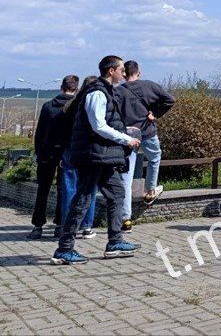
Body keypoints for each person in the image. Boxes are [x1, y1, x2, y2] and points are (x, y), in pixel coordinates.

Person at [52, 56, 140, 265]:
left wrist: (123, 132)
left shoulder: (106, 91)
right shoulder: (97, 93)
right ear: (111, 71)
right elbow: (98, 125)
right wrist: (127, 139)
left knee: (117, 193)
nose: (124, 74)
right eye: (121, 70)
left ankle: (115, 241)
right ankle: (64, 248)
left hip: (103, 155)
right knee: (83, 198)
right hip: (93, 155)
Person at [114, 60, 175, 232]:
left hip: (127, 136)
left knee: (126, 177)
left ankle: (126, 219)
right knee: (155, 157)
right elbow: (170, 99)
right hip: (147, 132)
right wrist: (155, 113)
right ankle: (150, 190)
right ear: (138, 72)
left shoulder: (118, 91)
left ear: (124, 74)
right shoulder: (150, 86)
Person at [28, 75, 79, 239]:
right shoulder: (75, 108)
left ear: (61, 87)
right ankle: (59, 224)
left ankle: (37, 226)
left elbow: (40, 133)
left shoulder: (48, 106)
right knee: (63, 190)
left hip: (47, 154)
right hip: (66, 154)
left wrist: (39, 153)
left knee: (42, 190)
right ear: (76, 89)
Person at [56, 77, 99, 240]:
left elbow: (62, 132)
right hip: (88, 151)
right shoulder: (91, 106)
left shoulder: (70, 106)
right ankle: (87, 226)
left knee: (69, 189)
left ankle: (66, 226)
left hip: (69, 150)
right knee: (89, 189)